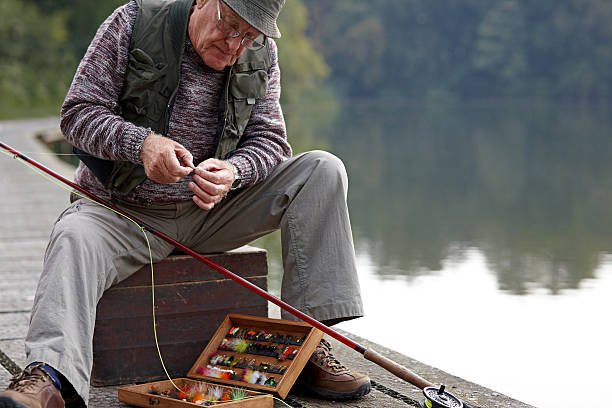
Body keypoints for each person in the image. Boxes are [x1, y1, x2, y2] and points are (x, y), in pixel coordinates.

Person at [0, 0, 370, 406]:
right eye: (229, 26)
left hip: (213, 216)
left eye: (250, 35)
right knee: (71, 235)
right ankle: (49, 376)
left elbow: (271, 142)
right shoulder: (132, 22)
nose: (234, 46)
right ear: (203, 2)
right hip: (123, 213)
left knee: (322, 169)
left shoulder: (260, 51)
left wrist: (234, 173)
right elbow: (77, 115)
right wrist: (142, 145)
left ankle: (304, 348)